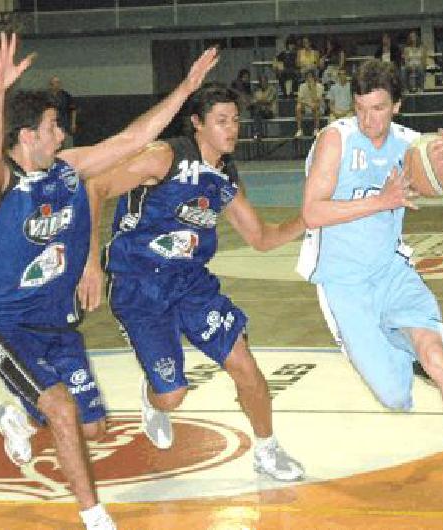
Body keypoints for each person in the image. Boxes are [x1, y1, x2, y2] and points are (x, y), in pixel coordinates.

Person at [0, 32, 218, 530]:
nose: (61, 136)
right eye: (53, 127)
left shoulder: (67, 171)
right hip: (0, 323)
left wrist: (185, 89)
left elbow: (129, 141)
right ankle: (95, 516)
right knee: (59, 407)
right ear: (27, 136)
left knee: (92, 428)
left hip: (55, 324)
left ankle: (17, 419)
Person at [296, 59, 443, 498]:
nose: (367, 119)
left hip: (391, 270)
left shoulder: (410, 146)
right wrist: (383, 201)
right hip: (343, 284)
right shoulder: (334, 141)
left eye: (377, 108)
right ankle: (407, 359)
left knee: (434, 352)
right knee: (395, 396)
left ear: (396, 106)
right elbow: (312, 212)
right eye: (360, 108)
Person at [82, 83, 307, 482]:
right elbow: (95, 186)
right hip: (138, 283)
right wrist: (90, 265)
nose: (232, 128)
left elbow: (261, 238)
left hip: (191, 284)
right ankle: (154, 399)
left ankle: (267, 451)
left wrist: (309, 219)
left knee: (244, 363)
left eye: (235, 120)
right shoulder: (164, 157)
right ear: (197, 124)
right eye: (221, 121)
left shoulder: (226, 179)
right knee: (172, 394)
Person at [48, 75, 77, 148]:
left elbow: (73, 110)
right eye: (54, 83)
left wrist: (73, 124)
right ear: (50, 84)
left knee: (67, 146)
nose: (56, 84)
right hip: (51, 126)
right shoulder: (46, 96)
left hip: (65, 125)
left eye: (58, 82)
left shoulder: (66, 96)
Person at [294, 70, 324, 138]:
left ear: (314, 78)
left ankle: (316, 129)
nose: (309, 79)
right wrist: (308, 104)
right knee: (298, 107)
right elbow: (299, 99)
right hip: (306, 106)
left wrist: (313, 88)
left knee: (315, 106)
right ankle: (299, 130)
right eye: (307, 77)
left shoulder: (320, 86)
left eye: (310, 77)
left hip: (317, 107)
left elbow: (317, 100)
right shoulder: (302, 86)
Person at [249, 74, 278, 140]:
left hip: (270, 111)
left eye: (264, 81)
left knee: (257, 112)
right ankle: (258, 133)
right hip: (260, 111)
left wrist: (258, 101)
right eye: (261, 82)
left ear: (267, 81)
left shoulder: (272, 89)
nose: (263, 83)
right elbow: (253, 101)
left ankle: (257, 133)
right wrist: (259, 102)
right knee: (257, 113)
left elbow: (268, 101)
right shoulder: (257, 90)